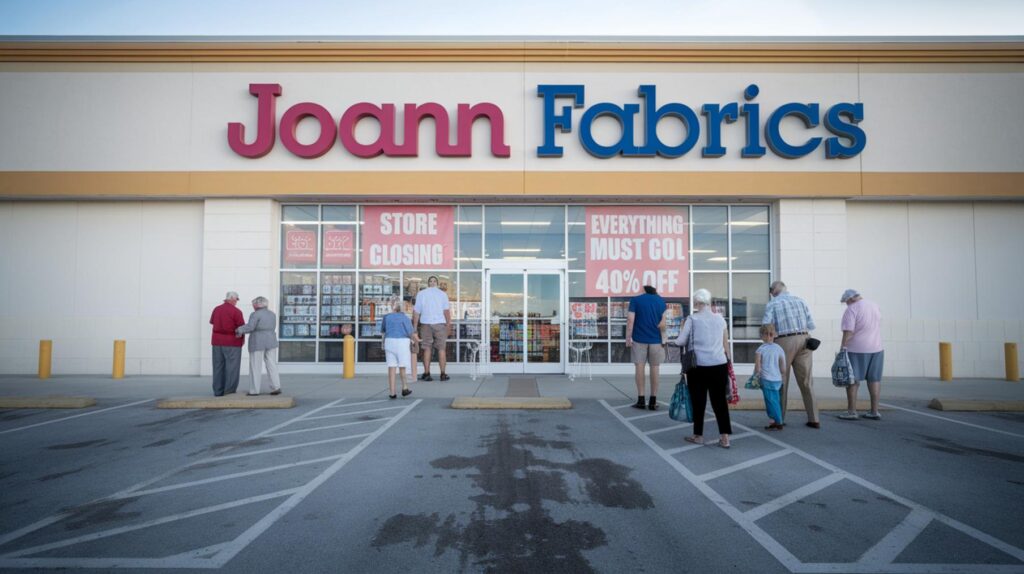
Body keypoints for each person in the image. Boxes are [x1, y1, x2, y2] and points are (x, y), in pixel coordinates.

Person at [676, 288, 733, 448]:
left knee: (698, 401)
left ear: (697, 302)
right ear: (708, 302)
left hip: (698, 366)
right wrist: (728, 363)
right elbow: (725, 344)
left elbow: (680, 341)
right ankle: (725, 437)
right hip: (719, 364)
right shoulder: (720, 320)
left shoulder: (692, 319)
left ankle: (698, 435)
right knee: (720, 402)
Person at [762, 281, 820, 429]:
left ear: (775, 289)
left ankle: (778, 419)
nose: (770, 292)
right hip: (805, 339)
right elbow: (811, 324)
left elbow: (766, 326)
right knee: (807, 381)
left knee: (781, 379)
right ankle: (814, 418)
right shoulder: (801, 300)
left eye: (771, 290)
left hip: (784, 341)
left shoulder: (773, 303)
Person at [837, 289, 884, 421]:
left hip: (856, 349)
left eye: (846, 302)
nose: (846, 305)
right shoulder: (874, 305)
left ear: (850, 299)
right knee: (874, 379)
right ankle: (874, 411)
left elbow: (848, 332)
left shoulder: (851, 309)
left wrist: (842, 348)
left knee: (853, 380)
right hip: (877, 348)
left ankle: (852, 411)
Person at [626, 285, 667, 410]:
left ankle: (641, 400)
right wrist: (664, 338)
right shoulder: (661, 301)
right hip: (656, 340)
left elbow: (630, 321)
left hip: (639, 339)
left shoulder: (635, 300)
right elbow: (663, 324)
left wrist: (628, 337)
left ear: (644, 290)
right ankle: (653, 401)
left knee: (639, 367)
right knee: (655, 368)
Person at [235, 296, 281, 396]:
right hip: (271, 340)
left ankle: (254, 390)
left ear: (257, 304)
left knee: (255, 366)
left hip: (258, 341)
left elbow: (250, 327)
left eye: (253, 304)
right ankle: (276, 387)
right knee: (272, 364)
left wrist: (239, 330)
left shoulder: (255, 314)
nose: (252, 306)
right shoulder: (272, 314)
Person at [413, 276, 452, 381]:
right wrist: (448, 325)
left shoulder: (421, 294)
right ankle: (443, 374)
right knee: (441, 349)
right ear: (436, 284)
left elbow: (416, 312)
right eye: (432, 281)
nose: (433, 282)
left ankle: (427, 373)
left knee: (427, 348)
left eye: (432, 281)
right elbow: (446, 311)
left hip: (426, 324)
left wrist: (415, 328)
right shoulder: (443, 294)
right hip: (440, 324)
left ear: (428, 283)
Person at [382, 296, 419, 399]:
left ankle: (392, 393)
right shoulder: (404, 318)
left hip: (389, 342)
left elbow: (384, 331)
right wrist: (416, 341)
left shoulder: (387, 317)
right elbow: (410, 332)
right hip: (402, 342)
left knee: (391, 367)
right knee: (402, 366)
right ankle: (404, 387)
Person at [209, 291, 245, 396]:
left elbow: (212, 322)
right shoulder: (236, 311)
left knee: (218, 366)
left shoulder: (216, 309)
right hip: (232, 342)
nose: (236, 302)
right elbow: (241, 327)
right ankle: (229, 391)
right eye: (236, 300)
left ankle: (218, 391)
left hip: (216, 342)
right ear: (233, 299)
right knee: (232, 367)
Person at [755, 325, 787, 431]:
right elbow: (783, 367)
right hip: (777, 379)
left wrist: (756, 376)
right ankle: (773, 421)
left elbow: (758, 367)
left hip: (766, 378)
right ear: (775, 335)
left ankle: (778, 421)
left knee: (770, 401)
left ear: (762, 336)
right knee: (775, 400)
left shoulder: (760, 349)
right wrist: (782, 375)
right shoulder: (779, 349)